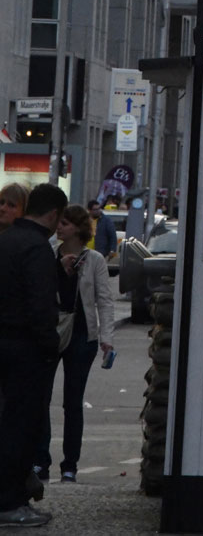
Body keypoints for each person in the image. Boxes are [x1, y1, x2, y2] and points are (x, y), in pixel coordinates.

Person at [0, 181, 67, 527]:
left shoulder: (6, 241)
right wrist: (48, 347)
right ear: (54, 215)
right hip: (24, 349)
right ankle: (10, 503)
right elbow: (42, 308)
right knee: (22, 427)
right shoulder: (38, 250)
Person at [34, 205, 115, 485]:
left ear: (79, 229)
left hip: (83, 335)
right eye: (60, 222)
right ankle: (39, 461)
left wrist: (107, 338)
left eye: (66, 223)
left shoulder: (94, 260)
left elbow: (104, 300)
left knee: (73, 402)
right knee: (41, 398)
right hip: (52, 332)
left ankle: (70, 465)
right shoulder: (49, 254)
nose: (60, 227)